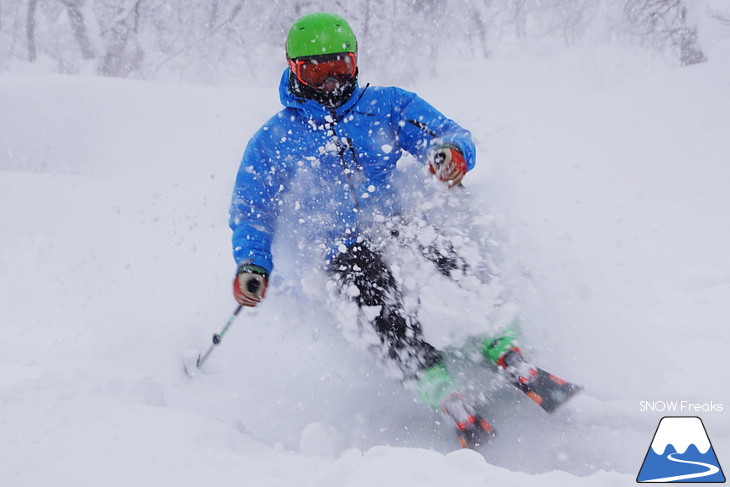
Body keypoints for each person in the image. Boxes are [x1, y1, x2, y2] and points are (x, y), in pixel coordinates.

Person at [228, 12, 564, 448]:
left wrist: (449, 153)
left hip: (394, 226)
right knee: (374, 301)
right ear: (294, 69)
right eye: (316, 70)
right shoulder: (275, 139)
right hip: (339, 249)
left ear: (355, 63)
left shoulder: (384, 105)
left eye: (340, 67)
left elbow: (444, 133)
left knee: (445, 259)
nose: (331, 82)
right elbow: (253, 209)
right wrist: (253, 262)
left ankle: (502, 346)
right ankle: (438, 385)